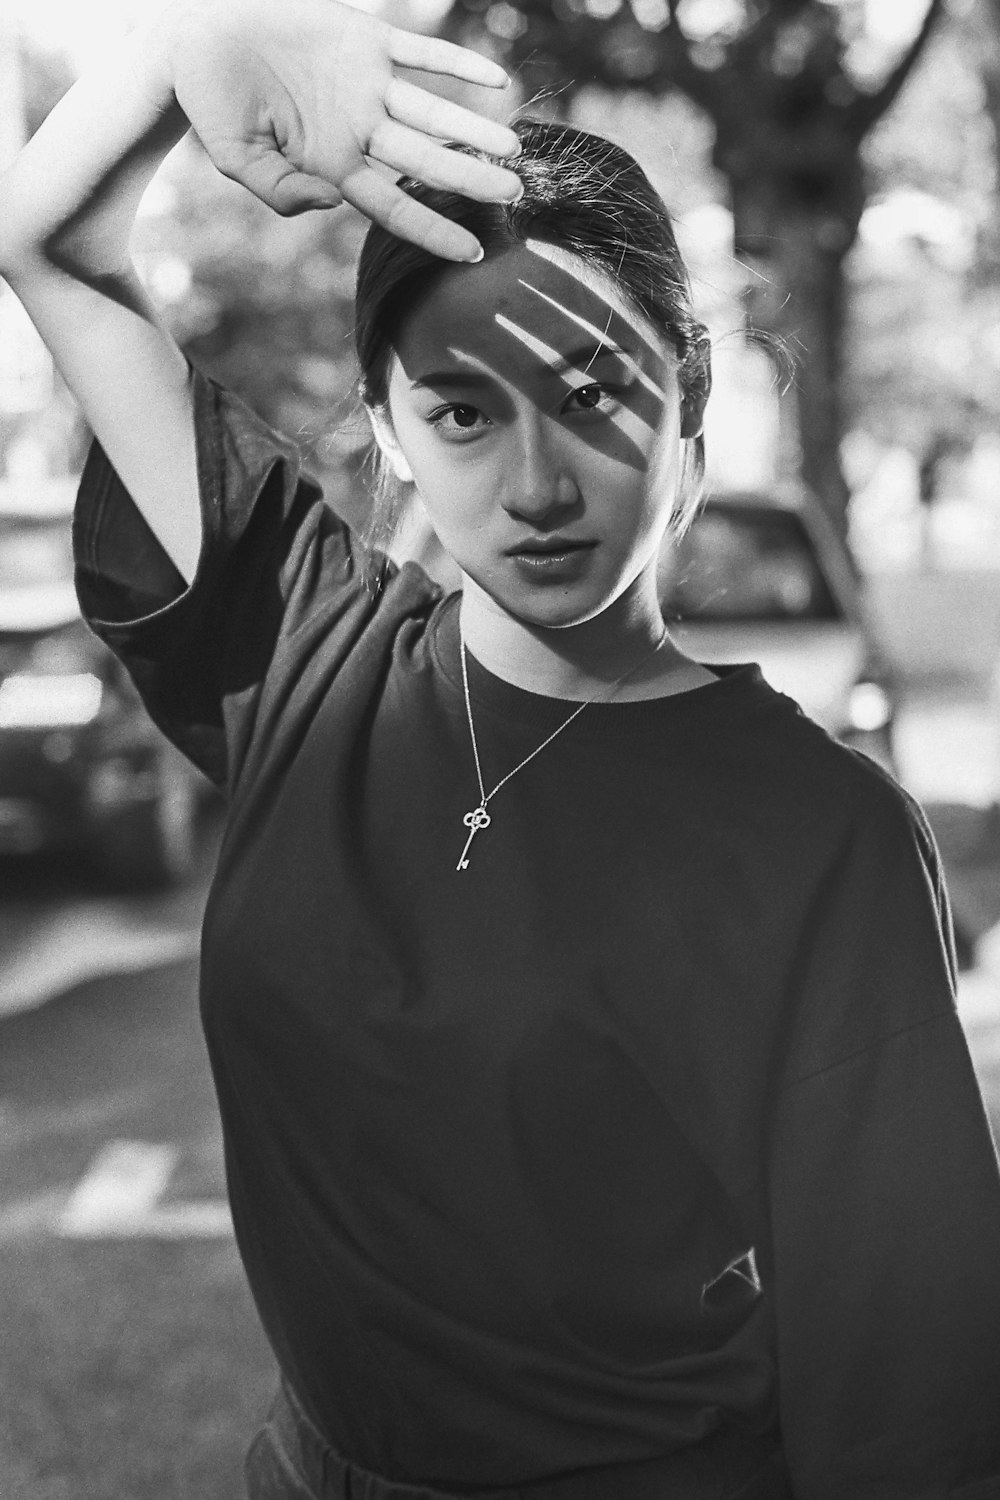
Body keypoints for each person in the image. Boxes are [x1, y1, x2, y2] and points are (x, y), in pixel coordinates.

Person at [2, 4, 1000, 1495]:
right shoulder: (298, 643)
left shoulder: (819, 830)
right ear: (389, 435)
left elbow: (911, 1397)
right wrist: (185, 49)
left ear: (692, 402)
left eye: (595, 392)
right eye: (462, 412)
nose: (535, 482)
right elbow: (52, 243)